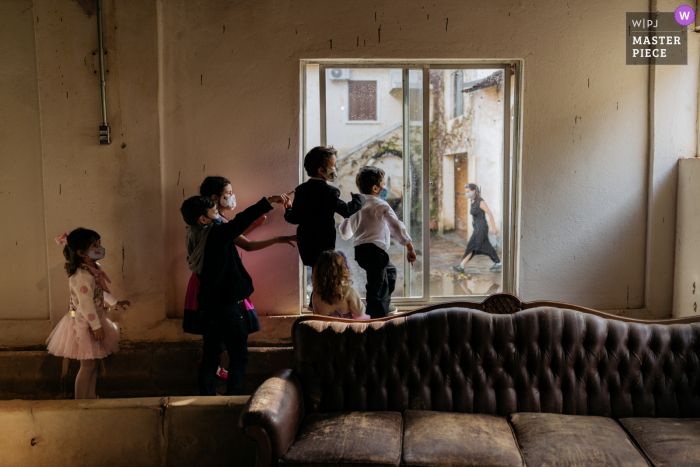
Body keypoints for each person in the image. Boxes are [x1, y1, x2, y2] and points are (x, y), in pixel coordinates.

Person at [180, 191, 293, 396]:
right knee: (239, 356)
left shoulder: (195, 233)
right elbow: (241, 221)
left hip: (207, 306)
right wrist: (268, 201)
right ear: (203, 219)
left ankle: (206, 397)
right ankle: (232, 399)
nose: (219, 215)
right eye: (215, 211)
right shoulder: (215, 233)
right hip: (226, 306)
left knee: (211, 355)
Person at [47, 228, 131, 399]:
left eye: (99, 243)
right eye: (95, 245)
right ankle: (80, 402)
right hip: (83, 324)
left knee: (94, 363)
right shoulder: (82, 276)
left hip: (94, 321)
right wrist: (96, 326)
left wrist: (115, 302)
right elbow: (86, 305)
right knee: (87, 364)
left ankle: (90, 397)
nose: (100, 247)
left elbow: (98, 292)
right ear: (82, 253)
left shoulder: (94, 269)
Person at [284, 146, 365, 308]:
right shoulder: (330, 191)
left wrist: (288, 209)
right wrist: (360, 199)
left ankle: (315, 303)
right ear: (322, 170)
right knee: (326, 273)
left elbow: (294, 219)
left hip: (306, 242)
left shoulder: (301, 190)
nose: (336, 169)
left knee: (316, 272)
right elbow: (346, 210)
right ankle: (326, 303)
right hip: (324, 242)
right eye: (334, 165)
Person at [339, 166, 417, 318]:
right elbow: (397, 227)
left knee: (390, 273)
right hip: (376, 253)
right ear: (376, 188)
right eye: (383, 184)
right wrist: (409, 247)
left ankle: (382, 304)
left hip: (361, 252)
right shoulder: (381, 205)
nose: (385, 188)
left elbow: (345, 233)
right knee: (377, 288)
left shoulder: (355, 205)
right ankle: (376, 318)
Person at [452, 183, 502, 273]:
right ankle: (498, 263)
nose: (466, 193)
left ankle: (461, 266)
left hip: (481, 227)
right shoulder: (472, 201)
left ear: (474, 191)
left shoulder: (480, 201)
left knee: (471, 245)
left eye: (468, 192)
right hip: (477, 227)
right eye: (466, 192)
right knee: (486, 246)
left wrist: (494, 227)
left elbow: (489, 213)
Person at [311, 250, 369, 319]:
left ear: (318, 270)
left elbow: (317, 318)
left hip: (326, 329)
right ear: (342, 269)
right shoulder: (348, 290)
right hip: (346, 329)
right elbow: (359, 312)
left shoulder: (316, 294)